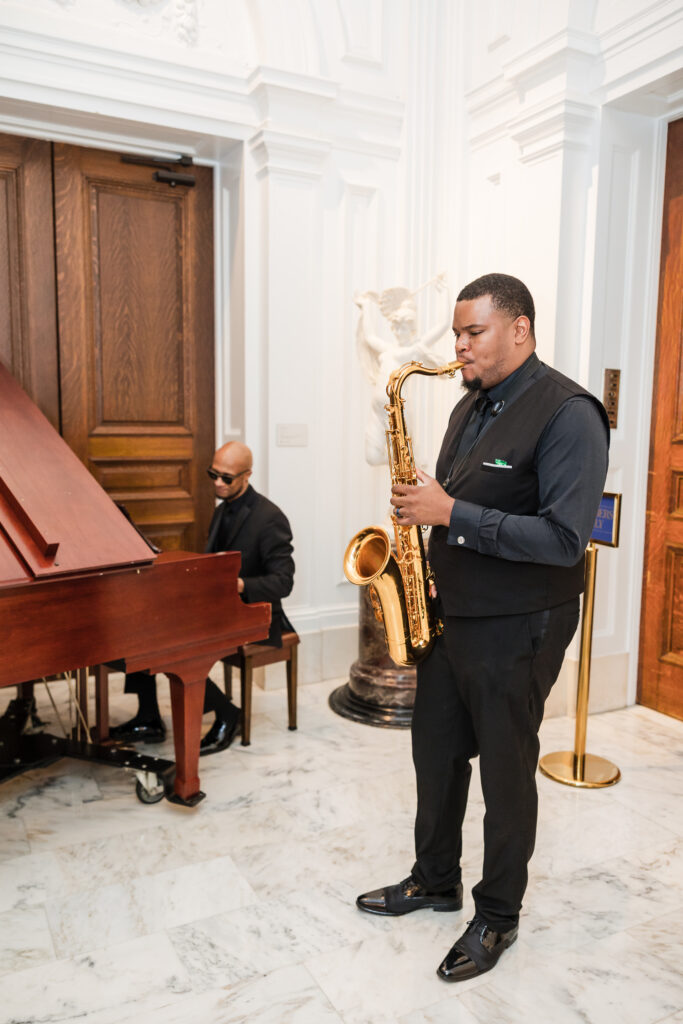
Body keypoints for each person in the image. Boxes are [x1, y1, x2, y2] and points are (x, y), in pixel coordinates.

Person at [355, 273, 609, 982]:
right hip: (452, 616)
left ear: (519, 330)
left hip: (521, 625)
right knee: (434, 754)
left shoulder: (570, 414)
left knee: (503, 772)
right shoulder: (469, 403)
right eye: (457, 332)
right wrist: (423, 518)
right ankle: (433, 879)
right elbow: (456, 497)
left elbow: (563, 540)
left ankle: (497, 916)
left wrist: (449, 515)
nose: (458, 346)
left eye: (473, 332)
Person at [110, 441, 295, 755]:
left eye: (227, 478)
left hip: (255, 615)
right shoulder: (222, 509)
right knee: (142, 628)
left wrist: (237, 585)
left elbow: (283, 582)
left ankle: (225, 712)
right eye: (214, 474)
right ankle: (148, 715)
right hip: (218, 608)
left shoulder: (269, 518)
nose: (218, 483)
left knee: (170, 644)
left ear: (247, 475)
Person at [355, 273, 451, 465]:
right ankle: (407, 460)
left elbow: (442, 325)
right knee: (372, 458)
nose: (398, 331)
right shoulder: (389, 349)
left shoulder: (414, 350)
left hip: (396, 409)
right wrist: (365, 307)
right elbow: (370, 337)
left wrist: (443, 294)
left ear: (412, 329)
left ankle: (409, 462)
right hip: (377, 410)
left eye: (403, 327)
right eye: (395, 327)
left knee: (402, 461)